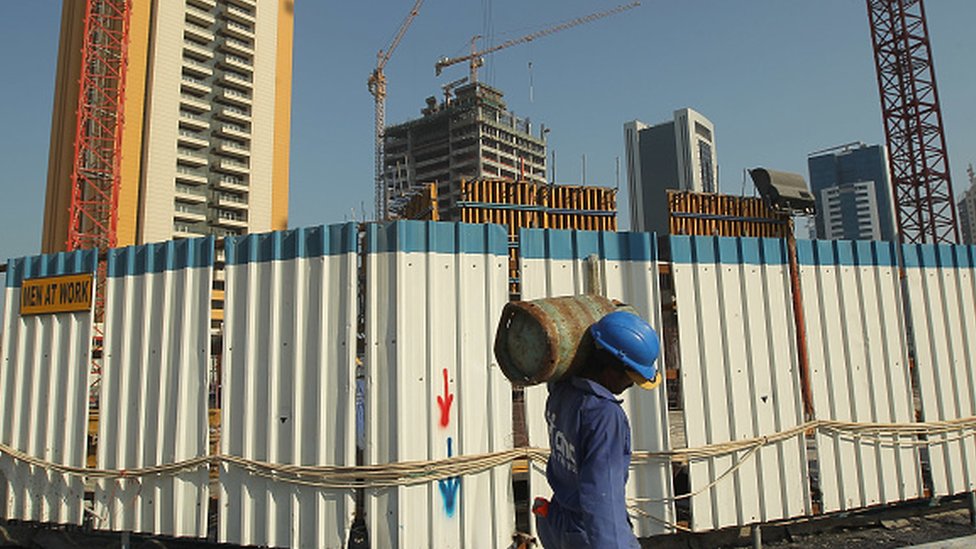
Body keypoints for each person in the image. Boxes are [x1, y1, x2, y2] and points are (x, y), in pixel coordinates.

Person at [533, 310, 661, 549]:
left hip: (559, 524)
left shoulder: (562, 390)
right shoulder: (604, 416)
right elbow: (602, 498)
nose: (632, 383)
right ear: (610, 368)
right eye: (630, 375)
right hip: (587, 535)